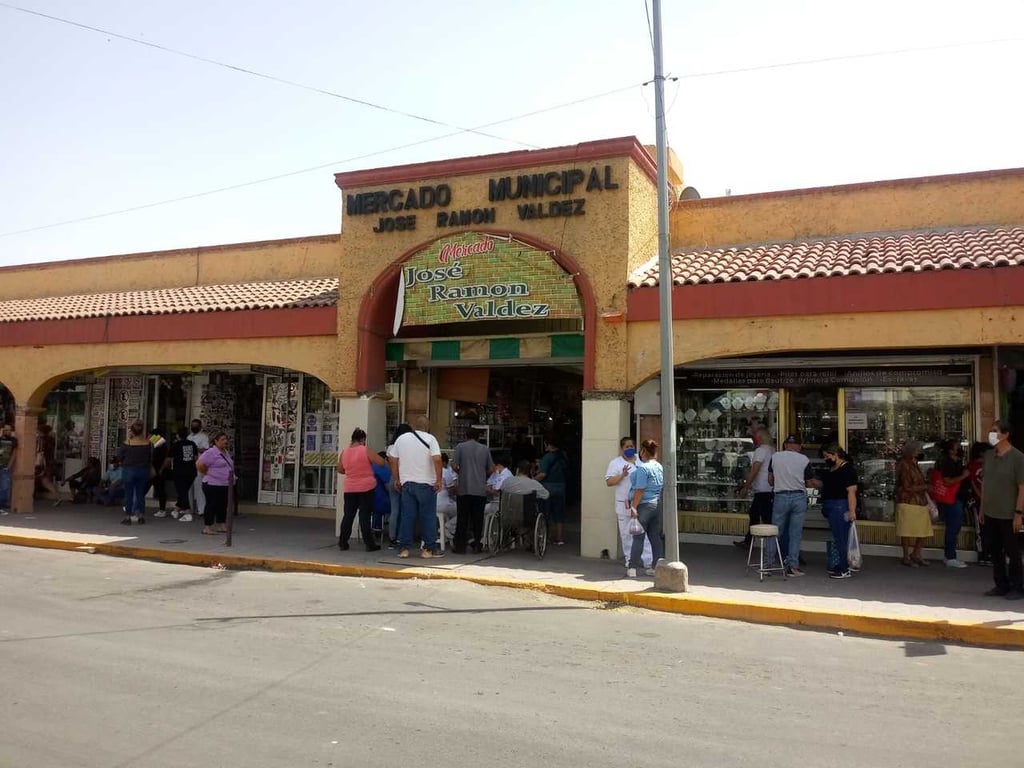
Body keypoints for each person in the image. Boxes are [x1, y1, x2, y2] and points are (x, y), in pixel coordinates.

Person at [979, 419, 1024, 599]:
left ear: (1005, 435)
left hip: (1008, 513)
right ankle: (1001, 584)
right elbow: (985, 485)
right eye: (991, 430)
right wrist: (982, 509)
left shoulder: (1018, 458)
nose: (991, 434)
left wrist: (1019, 514)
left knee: (1013, 552)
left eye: (995, 431)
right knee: (995, 550)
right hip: (990, 512)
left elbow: (1022, 487)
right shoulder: (989, 456)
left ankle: (1017, 586)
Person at [392, 415, 444, 559]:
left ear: (415, 426)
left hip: (407, 483)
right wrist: (439, 480)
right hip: (426, 484)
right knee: (428, 517)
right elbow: (438, 460)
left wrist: (397, 479)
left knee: (407, 516)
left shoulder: (401, 439)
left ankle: (404, 549)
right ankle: (428, 549)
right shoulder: (430, 439)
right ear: (427, 427)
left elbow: (393, 459)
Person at [767, 435, 817, 577]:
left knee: (775, 531)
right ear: (799, 446)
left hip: (780, 496)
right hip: (798, 497)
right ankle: (793, 567)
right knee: (795, 533)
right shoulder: (804, 459)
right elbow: (809, 482)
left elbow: (770, 480)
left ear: (785, 445)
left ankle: (769, 564)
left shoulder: (775, 457)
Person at [336, 427, 386, 552]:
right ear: (363, 439)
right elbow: (381, 462)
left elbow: (340, 469)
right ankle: (369, 544)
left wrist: (351, 471)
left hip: (350, 488)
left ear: (352, 439)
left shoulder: (345, 452)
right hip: (366, 488)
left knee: (348, 515)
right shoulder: (365, 450)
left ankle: (343, 542)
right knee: (364, 515)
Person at [605, 437, 651, 570]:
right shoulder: (616, 463)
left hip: (641, 503)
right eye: (627, 447)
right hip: (624, 504)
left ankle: (648, 560)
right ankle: (630, 560)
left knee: (644, 533)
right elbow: (609, 482)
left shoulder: (640, 459)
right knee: (626, 534)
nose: (630, 449)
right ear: (622, 449)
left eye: (632, 446)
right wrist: (622, 475)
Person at [626, 439, 664, 578]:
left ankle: (632, 567)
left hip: (644, 505)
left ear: (643, 451)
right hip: (656, 504)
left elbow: (640, 490)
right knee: (655, 537)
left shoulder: (643, 468)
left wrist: (634, 508)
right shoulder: (659, 466)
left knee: (638, 537)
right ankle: (657, 567)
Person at [452, 427, 493, 554]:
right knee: (478, 518)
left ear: (466, 435)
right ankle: (477, 545)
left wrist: (461, 472)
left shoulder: (460, 447)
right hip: (480, 489)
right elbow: (491, 468)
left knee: (462, 518)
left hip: (464, 488)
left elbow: (454, 465)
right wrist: (482, 475)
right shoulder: (485, 449)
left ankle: (460, 546)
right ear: (478, 437)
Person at [820, 443, 858, 579]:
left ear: (835, 455)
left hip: (840, 506)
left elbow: (851, 491)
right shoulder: (833, 468)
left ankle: (844, 568)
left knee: (841, 538)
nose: (826, 459)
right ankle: (842, 564)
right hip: (832, 506)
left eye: (827, 456)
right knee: (838, 538)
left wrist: (852, 510)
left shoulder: (847, 469)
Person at [733, 428, 775, 550]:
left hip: (762, 489)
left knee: (761, 516)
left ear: (760, 438)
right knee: (757, 515)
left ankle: (765, 545)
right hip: (769, 488)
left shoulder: (761, 450)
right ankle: (749, 540)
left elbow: (755, 469)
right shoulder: (772, 450)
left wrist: (746, 486)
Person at [895, 440, 933, 567]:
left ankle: (916, 553)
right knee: (907, 531)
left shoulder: (913, 463)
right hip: (908, 500)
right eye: (918, 450)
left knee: (923, 530)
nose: (920, 452)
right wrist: (925, 486)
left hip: (919, 501)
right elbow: (907, 486)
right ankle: (907, 556)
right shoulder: (904, 464)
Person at [933, 438, 970, 568]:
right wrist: (963, 476)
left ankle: (949, 555)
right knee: (953, 527)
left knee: (955, 526)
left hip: (957, 498)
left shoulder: (957, 461)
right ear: (951, 450)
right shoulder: (947, 463)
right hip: (952, 499)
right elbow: (947, 481)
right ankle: (950, 556)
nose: (960, 449)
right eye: (957, 447)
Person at [196, 432, 234, 535]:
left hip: (224, 484)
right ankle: (207, 527)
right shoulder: (211, 452)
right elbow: (199, 464)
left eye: (225, 439)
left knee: (222, 505)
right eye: (222, 439)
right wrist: (207, 472)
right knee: (211, 504)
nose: (225, 441)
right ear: (216, 441)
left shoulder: (225, 452)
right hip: (212, 483)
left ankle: (221, 524)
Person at [117, 420, 152, 525]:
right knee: (140, 494)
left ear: (131, 431)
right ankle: (140, 516)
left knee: (128, 494)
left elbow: (119, 457)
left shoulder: (127, 443)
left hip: (129, 470)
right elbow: (150, 457)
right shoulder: (147, 443)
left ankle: (128, 517)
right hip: (142, 470)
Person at [535, 437, 568, 547]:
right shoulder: (563, 456)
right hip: (561, 486)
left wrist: (532, 480)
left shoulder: (547, 457)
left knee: (545, 513)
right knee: (559, 514)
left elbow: (543, 474)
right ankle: (559, 538)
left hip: (548, 487)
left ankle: (546, 536)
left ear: (548, 445)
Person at [965, 441, 993, 564]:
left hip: (988, 500)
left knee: (989, 528)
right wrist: (980, 495)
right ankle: (983, 554)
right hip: (977, 501)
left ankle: (990, 553)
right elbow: (971, 482)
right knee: (980, 528)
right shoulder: (972, 466)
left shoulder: (989, 464)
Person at [385, 423, 412, 547]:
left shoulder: (391, 447)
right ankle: (402, 537)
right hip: (404, 479)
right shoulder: (407, 446)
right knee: (405, 510)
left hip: (392, 479)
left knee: (394, 510)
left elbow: (389, 463)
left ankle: (392, 538)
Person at [168, 427, 199, 522]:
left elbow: (169, 458)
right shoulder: (192, 444)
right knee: (184, 490)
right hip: (191, 471)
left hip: (179, 471)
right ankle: (177, 509)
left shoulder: (176, 445)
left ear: (177, 435)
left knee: (182, 491)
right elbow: (196, 457)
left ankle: (188, 512)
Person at [188, 419, 210, 521]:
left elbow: (206, 449)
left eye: (196, 426)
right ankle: (190, 508)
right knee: (189, 488)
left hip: (199, 464)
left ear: (200, 426)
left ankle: (202, 510)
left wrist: (195, 449)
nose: (194, 427)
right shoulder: (189, 436)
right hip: (189, 464)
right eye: (193, 425)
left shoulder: (203, 437)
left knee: (199, 488)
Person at [148, 428, 172, 516]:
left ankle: (162, 510)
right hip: (155, 470)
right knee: (144, 488)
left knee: (160, 489)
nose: (149, 437)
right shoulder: (157, 445)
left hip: (158, 471)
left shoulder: (160, 445)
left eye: (151, 435)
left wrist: (160, 470)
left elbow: (161, 459)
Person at [371, 450, 392, 535]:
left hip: (368, 502)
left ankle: (376, 528)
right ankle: (395, 534)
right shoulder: (383, 469)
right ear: (385, 459)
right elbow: (388, 487)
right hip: (382, 502)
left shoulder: (370, 467)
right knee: (398, 507)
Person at [0, 423, 18, 513]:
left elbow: (14, 454)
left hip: (5, 466)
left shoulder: (13, 440)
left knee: (5, 487)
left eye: (9, 430)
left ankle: (3, 504)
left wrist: (9, 466)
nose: (8, 432)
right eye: (5, 430)